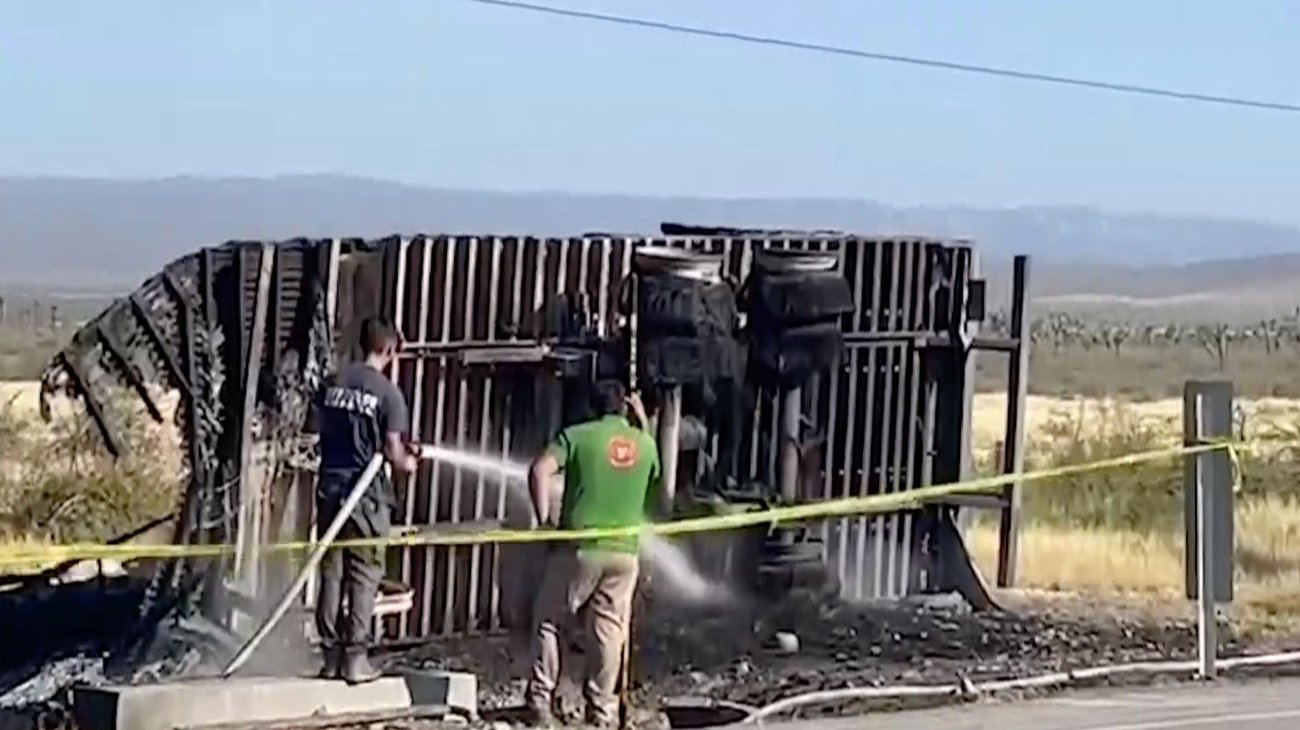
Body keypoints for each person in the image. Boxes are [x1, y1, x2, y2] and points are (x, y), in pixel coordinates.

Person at [525, 380, 662, 727]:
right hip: (625, 553)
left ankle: (540, 701)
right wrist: (643, 422)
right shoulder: (645, 445)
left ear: (592, 407)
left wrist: (543, 521)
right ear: (623, 409)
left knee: (549, 620)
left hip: (580, 547)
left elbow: (539, 470)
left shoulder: (578, 435)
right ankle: (602, 711)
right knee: (609, 631)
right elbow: (656, 479)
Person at [314, 316, 418, 684]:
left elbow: (320, 428)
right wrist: (408, 463)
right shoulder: (389, 394)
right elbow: (392, 449)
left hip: (330, 489)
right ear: (389, 349)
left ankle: (329, 657)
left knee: (331, 572)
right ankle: (355, 660)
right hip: (366, 497)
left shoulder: (332, 382)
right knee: (364, 572)